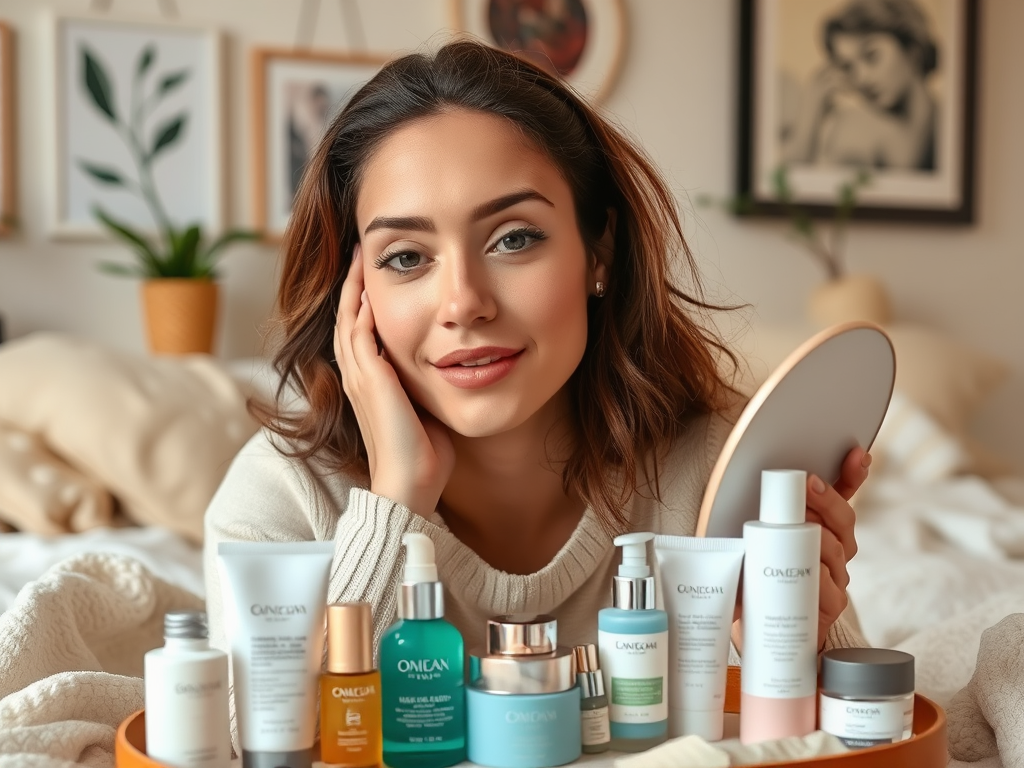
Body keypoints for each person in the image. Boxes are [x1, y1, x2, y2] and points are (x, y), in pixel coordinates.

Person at [204, 40, 869, 664]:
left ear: (597, 253)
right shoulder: (280, 500)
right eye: (406, 257)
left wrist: (792, 648)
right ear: (356, 291)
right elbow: (269, 745)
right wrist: (396, 503)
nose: (463, 303)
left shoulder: (721, 469)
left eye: (514, 239)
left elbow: (858, 739)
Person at [781, 0, 938, 171]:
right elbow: (786, 184)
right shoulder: (853, 132)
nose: (860, 78)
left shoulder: (952, 127)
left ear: (912, 50)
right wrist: (809, 116)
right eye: (847, 67)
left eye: (871, 56)